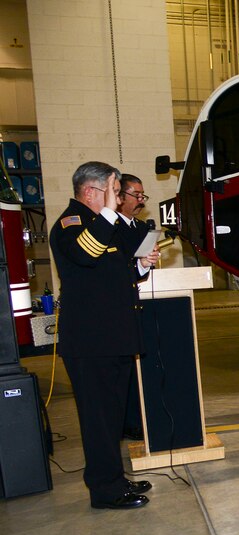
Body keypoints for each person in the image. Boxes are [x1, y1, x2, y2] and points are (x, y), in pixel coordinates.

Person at [50, 161, 160, 509]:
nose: (117, 197)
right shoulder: (71, 225)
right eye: (114, 191)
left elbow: (114, 271)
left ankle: (115, 478)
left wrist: (141, 266)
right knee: (98, 421)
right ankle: (105, 490)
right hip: (90, 343)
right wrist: (111, 213)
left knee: (112, 417)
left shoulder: (101, 226)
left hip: (112, 339)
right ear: (90, 192)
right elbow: (86, 254)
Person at [118, 173, 153, 441]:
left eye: (143, 196)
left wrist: (148, 262)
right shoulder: (110, 228)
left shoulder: (141, 229)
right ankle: (127, 422)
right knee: (124, 372)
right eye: (136, 195)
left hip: (143, 304)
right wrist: (139, 265)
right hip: (119, 307)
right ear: (120, 196)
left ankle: (139, 418)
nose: (141, 201)